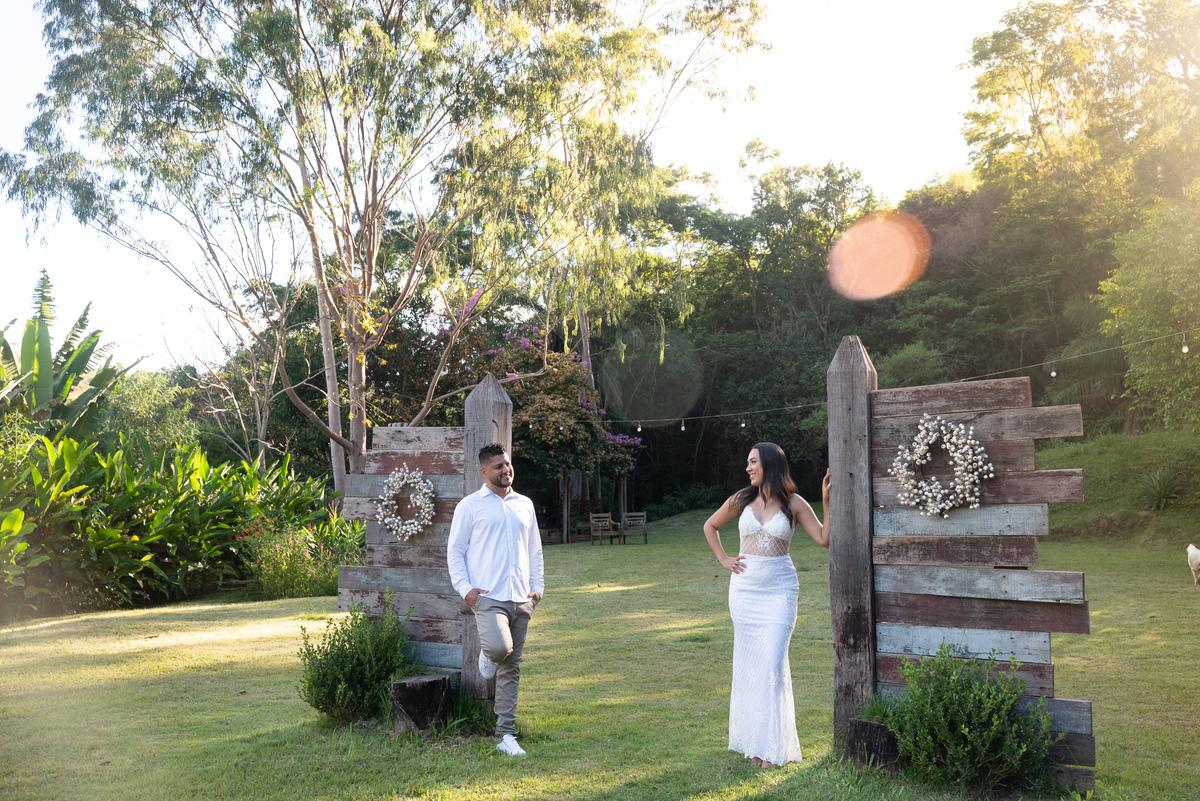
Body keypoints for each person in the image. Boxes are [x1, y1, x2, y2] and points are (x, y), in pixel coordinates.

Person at [702, 442, 830, 768]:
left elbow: (824, 538)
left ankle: (772, 748)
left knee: (772, 666)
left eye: (753, 462)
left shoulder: (794, 503)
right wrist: (724, 559)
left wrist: (826, 502)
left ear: (770, 464)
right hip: (744, 594)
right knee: (751, 668)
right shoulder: (742, 499)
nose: (748, 468)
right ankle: (755, 746)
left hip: (779, 592)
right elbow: (710, 526)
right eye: (748, 463)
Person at [447, 442, 544, 756]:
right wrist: (466, 589)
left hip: (521, 597)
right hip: (488, 597)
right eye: (498, 466)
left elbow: (534, 550)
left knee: (511, 667)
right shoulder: (470, 506)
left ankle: (506, 735)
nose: (506, 470)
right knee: (501, 650)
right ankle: (489, 652)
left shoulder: (524, 504)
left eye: (507, 464)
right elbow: (455, 551)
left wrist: (537, 589)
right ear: (484, 471)